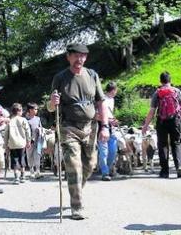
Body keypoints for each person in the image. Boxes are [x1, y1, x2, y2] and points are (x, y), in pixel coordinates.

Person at [48, 43, 109, 220]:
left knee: (90, 165)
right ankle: (77, 206)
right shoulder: (60, 78)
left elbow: (101, 102)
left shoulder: (92, 75)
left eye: (82, 56)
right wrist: (53, 101)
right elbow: (51, 108)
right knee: (74, 166)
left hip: (90, 127)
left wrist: (104, 126)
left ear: (86, 58)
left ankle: (76, 189)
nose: (79, 59)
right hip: (68, 127)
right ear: (68, 57)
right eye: (75, 56)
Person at [142, 72, 181, 179]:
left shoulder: (157, 93)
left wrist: (145, 125)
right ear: (170, 80)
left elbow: (152, 111)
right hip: (175, 120)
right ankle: (179, 166)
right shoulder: (176, 91)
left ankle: (164, 171)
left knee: (162, 145)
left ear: (160, 81)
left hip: (162, 121)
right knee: (176, 142)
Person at [4, 103, 31, 184]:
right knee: (22, 159)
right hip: (22, 143)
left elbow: (6, 134)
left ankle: (16, 177)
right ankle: (23, 176)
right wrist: (28, 141)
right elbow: (28, 131)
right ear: (19, 111)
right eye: (22, 110)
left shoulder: (10, 121)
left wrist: (6, 145)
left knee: (15, 160)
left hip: (12, 144)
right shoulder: (23, 120)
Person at [97, 82, 118, 181]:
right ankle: (105, 172)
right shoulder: (102, 100)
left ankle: (107, 169)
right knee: (104, 151)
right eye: (116, 90)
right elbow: (97, 116)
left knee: (113, 150)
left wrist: (113, 120)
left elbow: (110, 114)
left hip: (111, 128)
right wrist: (108, 121)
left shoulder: (112, 100)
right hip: (101, 127)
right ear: (113, 90)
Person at [25, 102, 44, 179]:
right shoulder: (25, 119)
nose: (36, 110)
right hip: (29, 141)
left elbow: (41, 127)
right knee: (29, 156)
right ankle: (31, 171)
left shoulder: (38, 119)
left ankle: (38, 171)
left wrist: (40, 130)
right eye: (35, 109)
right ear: (30, 110)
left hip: (38, 140)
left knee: (37, 156)